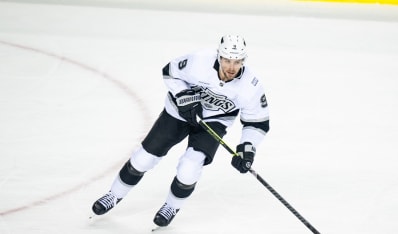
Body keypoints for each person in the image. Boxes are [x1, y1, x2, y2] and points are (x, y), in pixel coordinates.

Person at [91, 35, 270, 227]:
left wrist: (247, 148)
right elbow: (170, 72)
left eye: (237, 62)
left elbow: (257, 123)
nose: (231, 68)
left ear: (244, 60)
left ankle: (171, 206)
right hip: (177, 114)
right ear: (219, 56)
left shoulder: (250, 86)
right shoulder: (199, 61)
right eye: (227, 60)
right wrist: (184, 96)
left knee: (189, 169)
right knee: (143, 159)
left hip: (213, 123)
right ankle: (113, 195)